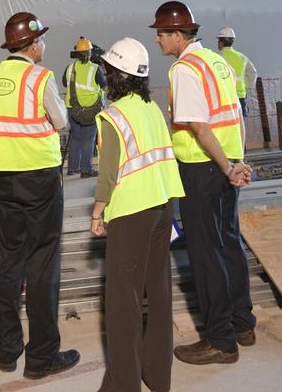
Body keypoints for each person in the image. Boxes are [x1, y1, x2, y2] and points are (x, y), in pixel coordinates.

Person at [0, 12, 79, 380]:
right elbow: (62, 121)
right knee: (42, 265)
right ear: (33, 44)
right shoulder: (40, 77)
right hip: (39, 180)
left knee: (9, 261)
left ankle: (8, 350)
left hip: (1, 179)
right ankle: (42, 356)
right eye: (42, 39)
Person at [151, 1, 254, 366]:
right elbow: (237, 112)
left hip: (203, 169)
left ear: (178, 35)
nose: (159, 41)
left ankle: (220, 341)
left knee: (206, 255)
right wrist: (238, 160)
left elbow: (198, 125)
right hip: (226, 167)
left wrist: (227, 167)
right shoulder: (216, 62)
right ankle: (243, 324)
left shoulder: (184, 70)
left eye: (161, 34)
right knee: (228, 243)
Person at [89, 38, 184, 392]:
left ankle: (123, 384)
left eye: (106, 69)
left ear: (114, 75)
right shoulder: (152, 108)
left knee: (122, 302)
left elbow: (109, 172)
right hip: (163, 207)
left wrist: (98, 212)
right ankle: (158, 377)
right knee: (158, 293)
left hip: (131, 211)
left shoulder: (113, 116)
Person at [63, 36, 106, 177]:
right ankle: (86, 170)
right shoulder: (95, 69)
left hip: (72, 109)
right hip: (90, 110)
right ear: (89, 53)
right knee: (89, 139)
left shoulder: (70, 68)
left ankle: (72, 168)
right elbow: (103, 84)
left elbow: (64, 83)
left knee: (75, 137)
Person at [216, 27, 257, 117]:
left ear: (221, 41)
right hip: (241, 97)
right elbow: (253, 74)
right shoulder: (242, 57)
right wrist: (246, 85)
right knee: (240, 126)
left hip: (225, 98)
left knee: (228, 125)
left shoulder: (218, 58)